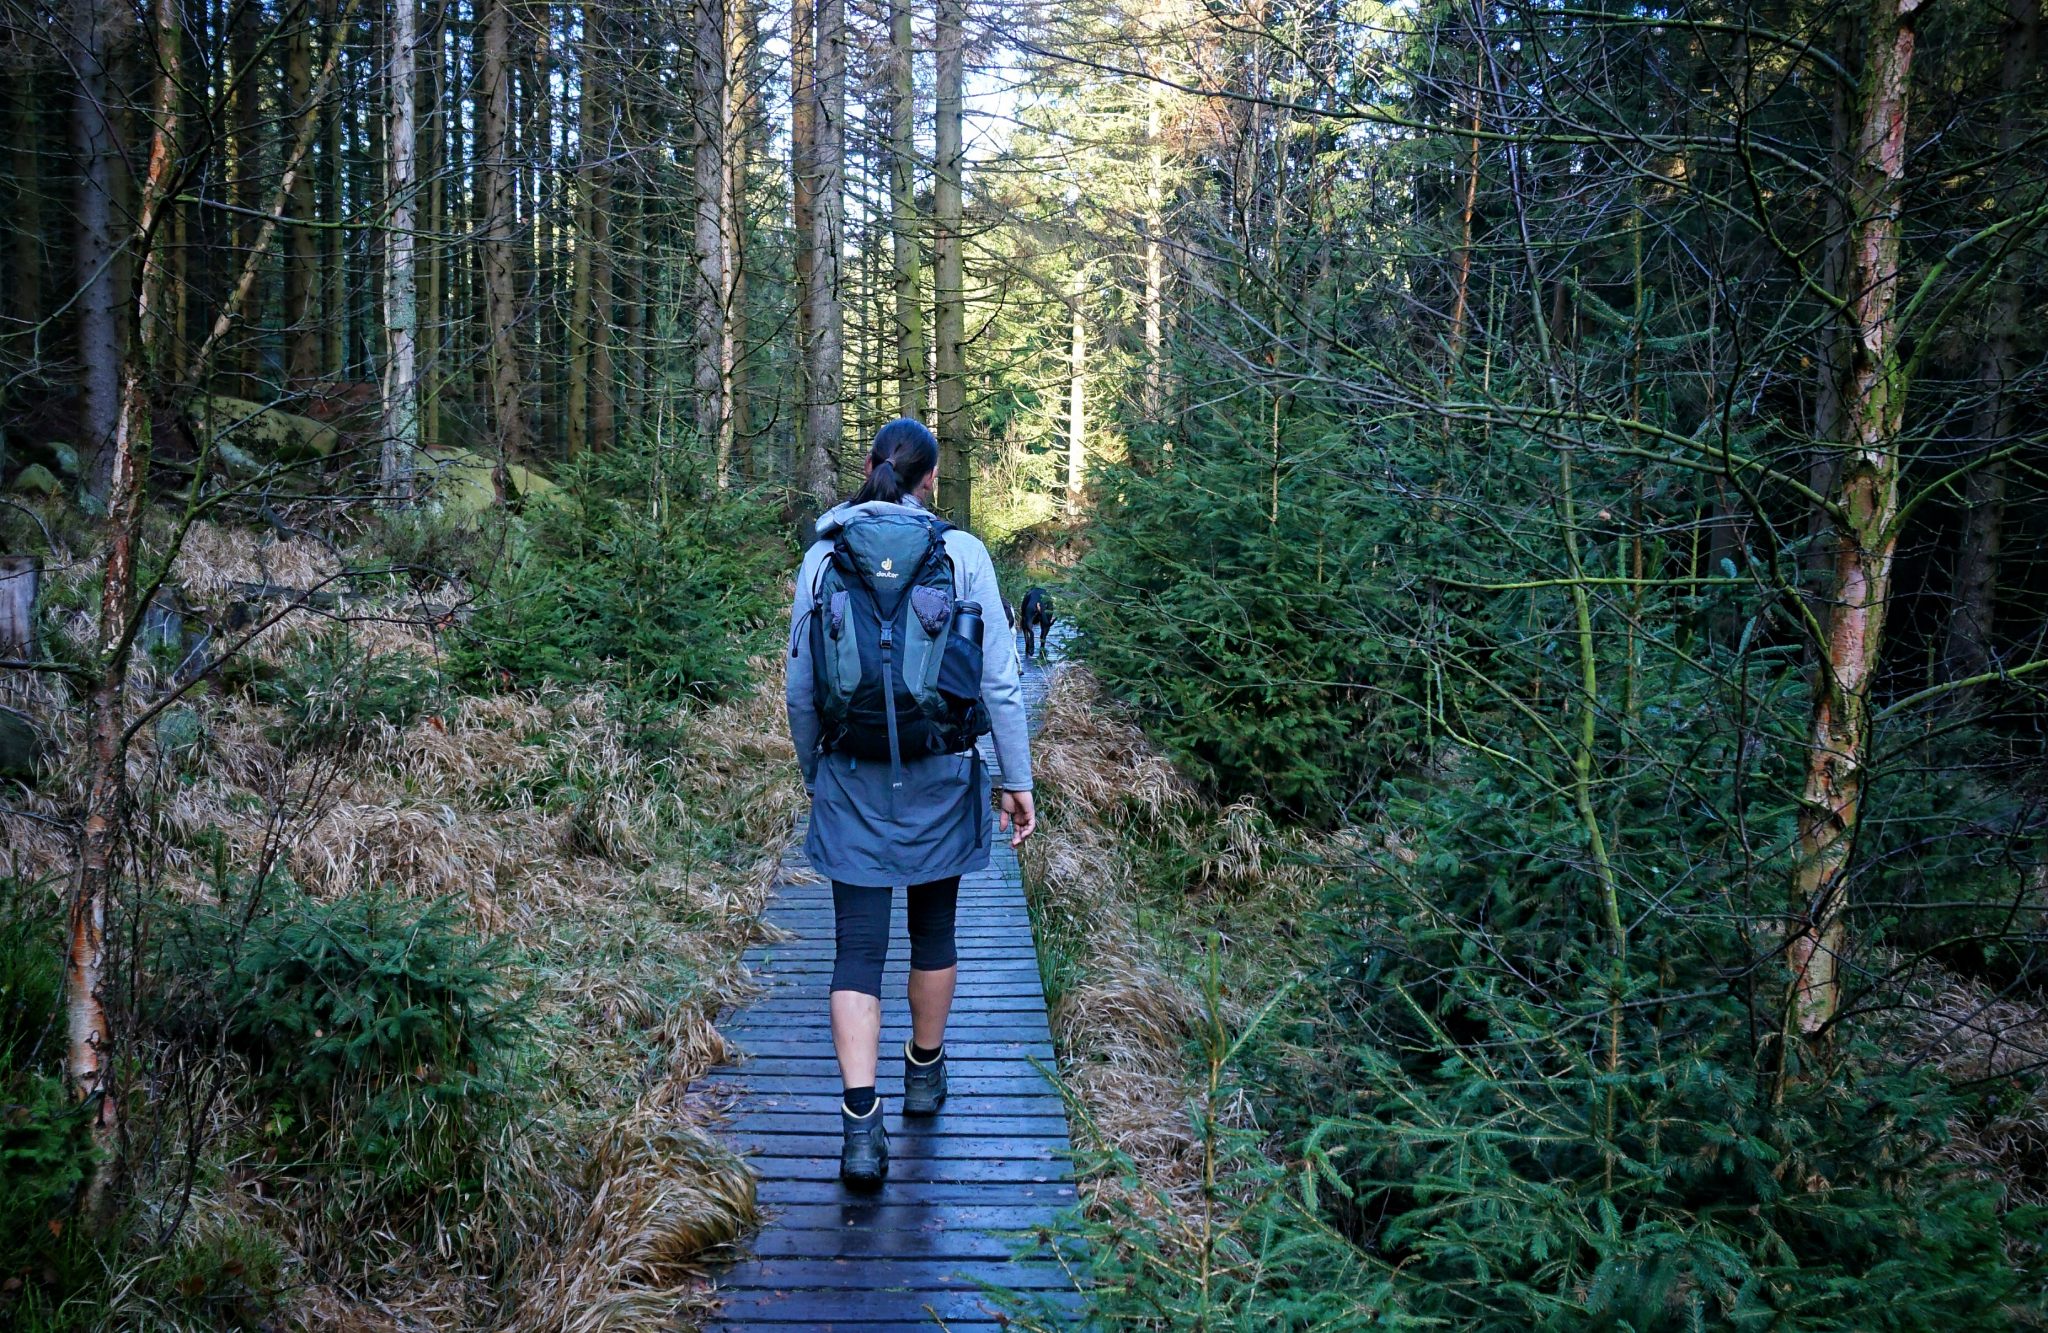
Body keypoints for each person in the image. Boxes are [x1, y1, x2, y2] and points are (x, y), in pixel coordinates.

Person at [784, 418, 1037, 1188]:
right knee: (935, 930)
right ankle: (923, 1072)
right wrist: (1015, 777)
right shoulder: (962, 554)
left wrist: (812, 772)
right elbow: (999, 680)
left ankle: (862, 1130)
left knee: (856, 950)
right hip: (942, 769)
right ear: (931, 480)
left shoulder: (823, 553)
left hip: (852, 774)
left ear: (871, 468)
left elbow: (800, 688)